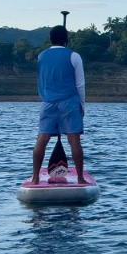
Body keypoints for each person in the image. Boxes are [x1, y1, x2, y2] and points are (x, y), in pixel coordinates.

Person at [29, 25, 88, 186]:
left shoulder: (41, 56)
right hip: (69, 102)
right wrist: (82, 105)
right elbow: (80, 84)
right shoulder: (74, 56)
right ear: (66, 39)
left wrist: (45, 98)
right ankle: (81, 178)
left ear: (50, 39)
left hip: (48, 102)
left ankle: (35, 178)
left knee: (42, 139)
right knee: (74, 140)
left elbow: (41, 81)